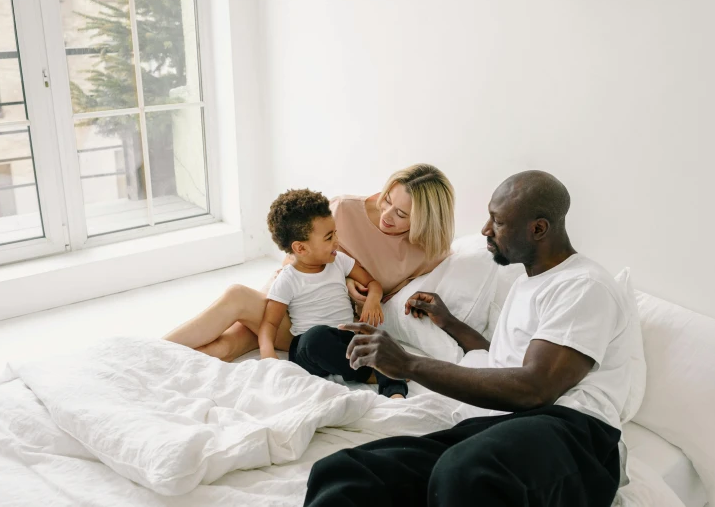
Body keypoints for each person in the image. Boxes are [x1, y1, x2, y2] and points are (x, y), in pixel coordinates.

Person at [303, 171, 636, 507]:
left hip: (575, 435)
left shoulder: (584, 285)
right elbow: (501, 365)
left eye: (498, 221)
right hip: (502, 424)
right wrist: (450, 323)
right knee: (344, 473)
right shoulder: (526, 285)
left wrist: (407, 364)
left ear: (538, 229)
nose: (485, 230)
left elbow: (536, 388)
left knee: (463, 473)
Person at [163, 164, 455, 365]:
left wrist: (359, 289)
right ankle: (151, 357)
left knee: (237, 298)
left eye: (401, 214)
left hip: (323, 324)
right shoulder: (343, 208)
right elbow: (294, 258)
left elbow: (390, 296)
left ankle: (148, 351)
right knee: (226, 347)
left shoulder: (427, 254)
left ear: (426, 220)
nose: (387, 214)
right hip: (290, 296)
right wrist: (343, 279)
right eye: (387, 199)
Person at [257, 188, 407, 398]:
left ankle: (395, 393)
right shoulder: (287, 279)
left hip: (346, 340)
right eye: (329, 237)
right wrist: (267, 354)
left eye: (335, 232)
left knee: (380, 341)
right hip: (309, 348)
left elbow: (372, 283)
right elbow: (269, 324)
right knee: (316, 338)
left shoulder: (339, 261)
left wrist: (373, 299)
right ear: (301, 248)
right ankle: (368, 374)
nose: (336, 241)